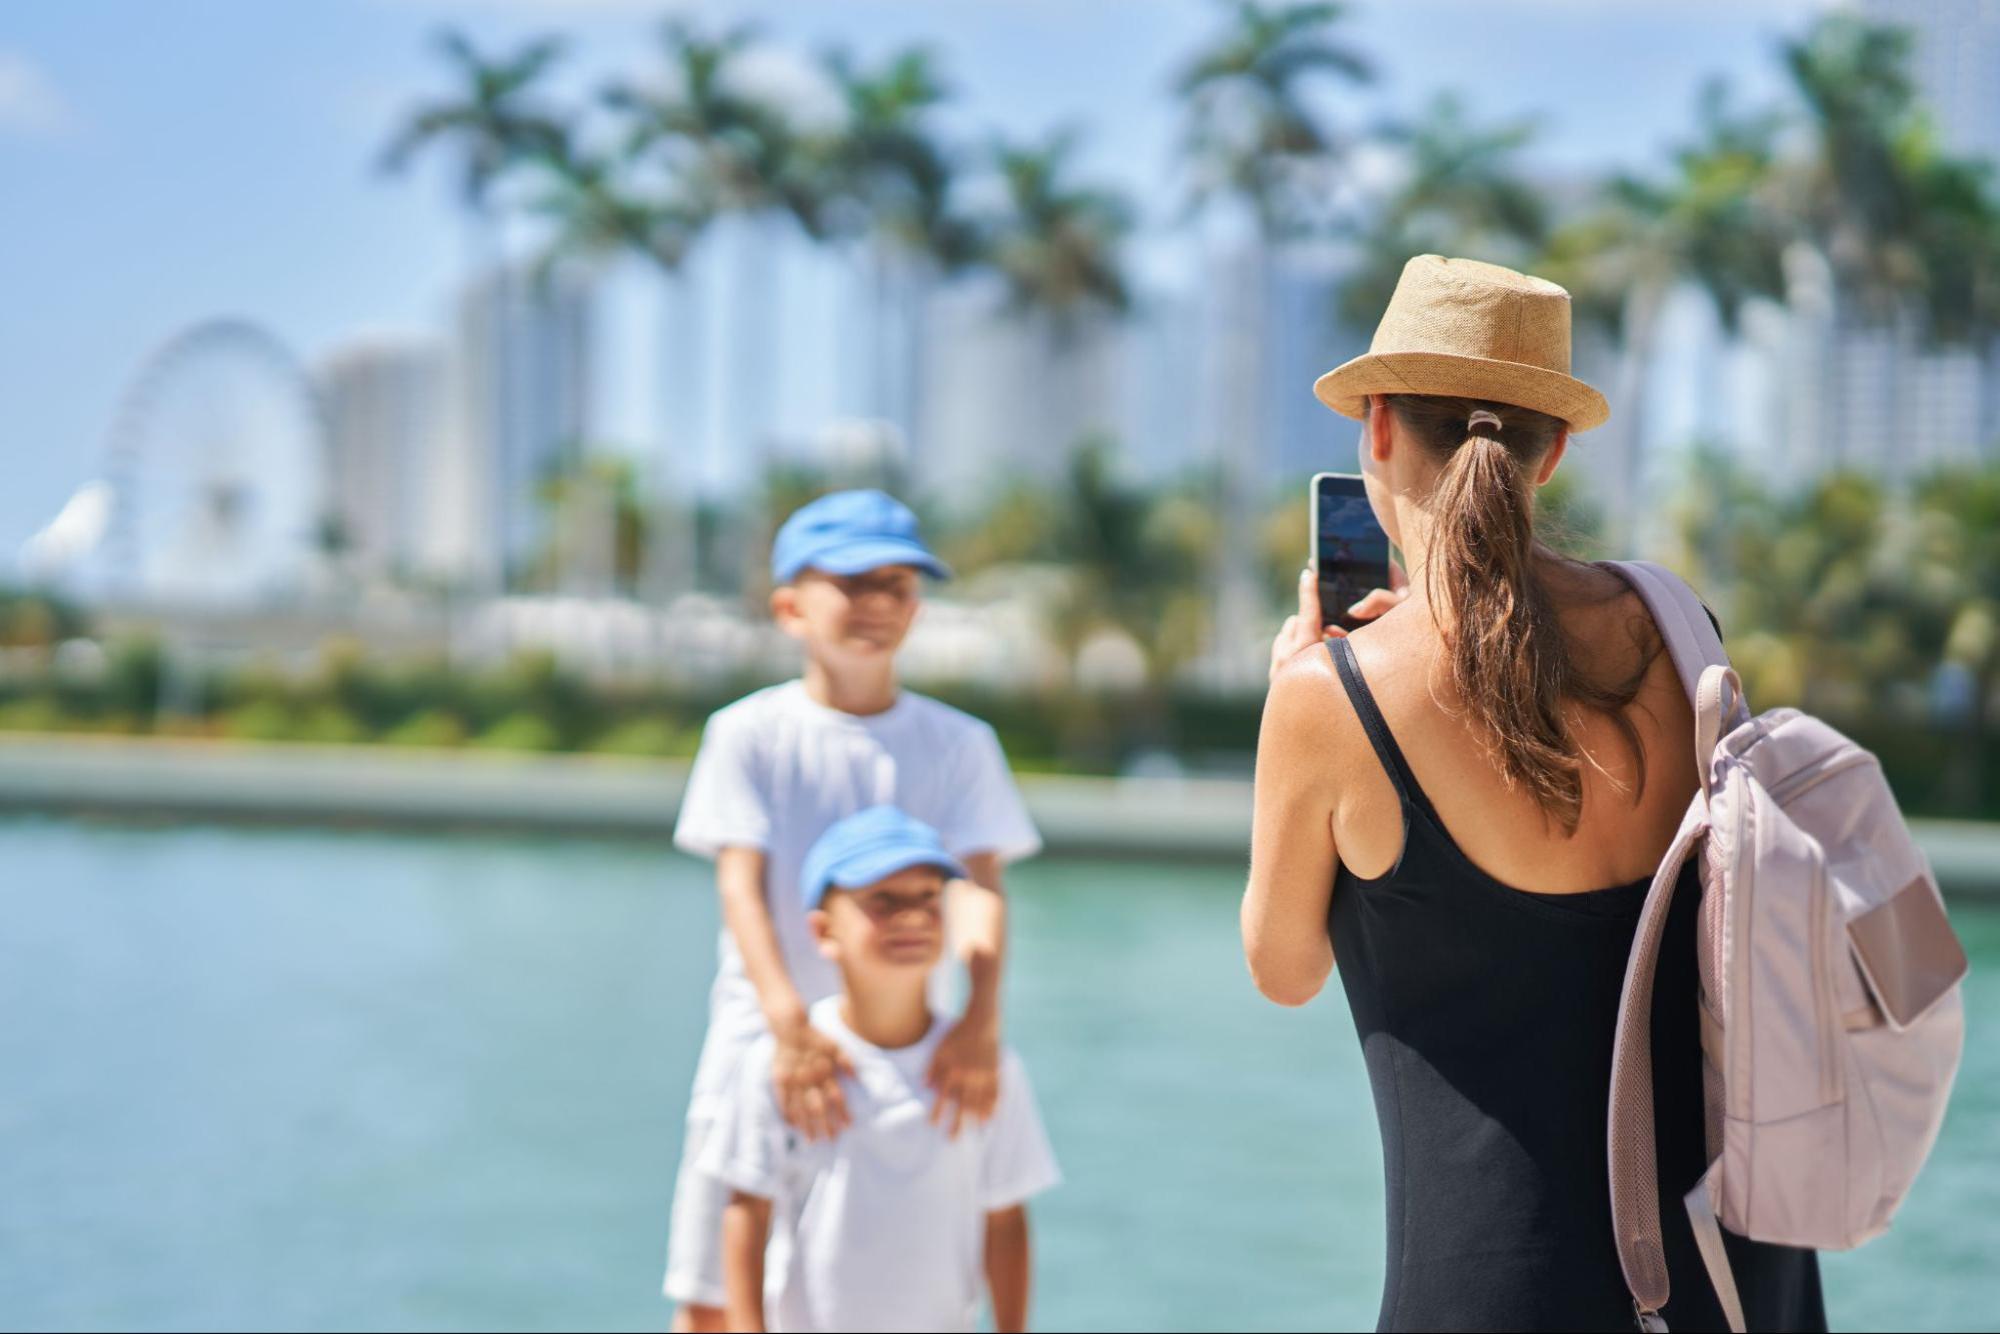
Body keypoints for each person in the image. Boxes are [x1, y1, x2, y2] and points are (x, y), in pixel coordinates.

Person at [1241, 255, 1826, 1331]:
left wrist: (1304, 689)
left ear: (1375, 427)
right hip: (1740, 1270)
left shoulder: (1330, 696)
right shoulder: (1678, 626)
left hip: (1493, 1286)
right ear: (1549, 451)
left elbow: (1281, 968)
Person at [664, 490, 1044, 1332]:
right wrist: (788, 1025)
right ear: (791, 605)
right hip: (760, 1040)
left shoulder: (959, 742)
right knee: (712, 1291)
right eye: (852, 581)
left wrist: (981, 1017)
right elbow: (740, 885)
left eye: (899, 584)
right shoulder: (749, 733)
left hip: (906, 1047)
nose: (877, 603)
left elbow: (980, 886)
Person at [702, 805, 1061, 1333]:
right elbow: (745, 1211)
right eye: (882, 901)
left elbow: (1005, 1217)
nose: (912, 916)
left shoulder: (988, 1069)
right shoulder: (781, 1068)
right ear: (824, 931)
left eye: (927, 898)